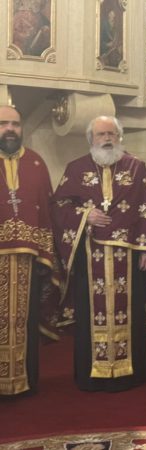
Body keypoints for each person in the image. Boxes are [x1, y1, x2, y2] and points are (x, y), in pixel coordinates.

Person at [51, 115, 146, 392]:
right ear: (91, 139)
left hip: (129, 257)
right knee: (90, 316)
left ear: (119, 137)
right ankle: (92, 374)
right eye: (101, 134)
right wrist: (85, 215)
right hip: (89, 257)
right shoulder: (76, 168)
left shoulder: (136, 167)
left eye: (111, 134)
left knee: (130, 314)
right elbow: (58, 206)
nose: (107, 139)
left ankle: (131, 374)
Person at [0, 105, 55, 396]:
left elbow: (47, 210)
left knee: (25, 321)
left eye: (15, 124)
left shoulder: (36, 163)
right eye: (3, 124)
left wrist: (47, 255)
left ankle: (24, 380)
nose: (10, 129)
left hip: (28, 262)